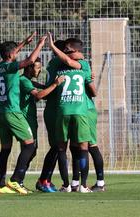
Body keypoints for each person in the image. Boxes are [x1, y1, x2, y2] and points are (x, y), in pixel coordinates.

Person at [0, 32, 46, 194]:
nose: (17, 55)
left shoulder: (0, 66)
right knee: (30, 145)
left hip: (1, 112)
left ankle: (1, 184)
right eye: (15, 53)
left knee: (5, 149)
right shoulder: (11, 67)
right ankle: (16, 180)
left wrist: (24, 42)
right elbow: (30, 61)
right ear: (11, 55)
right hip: (13, 112)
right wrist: (39, 45)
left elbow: (12, 52)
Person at [47, 33, 96, 193]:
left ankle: (67, 185)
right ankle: (82, 185)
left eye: (68, 50)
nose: (66, 53)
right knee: (83, 148)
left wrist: (52, 46)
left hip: (63, 111)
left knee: (62, 148)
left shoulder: (59, 70)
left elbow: (66, 61)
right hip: (80, 112)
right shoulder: (84, 66)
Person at [35, 40, 84, 193]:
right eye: (67, 50)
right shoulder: (58, 63)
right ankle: (45, 179)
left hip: (64, 110)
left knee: (69, 147)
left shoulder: (57, 63)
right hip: (55, 111)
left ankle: (73, 182)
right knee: (58, 147)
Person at [18, 58, 65, 192]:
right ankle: (17, 180)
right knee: (29, 149)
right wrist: (55, 84)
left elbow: (41, 90)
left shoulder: (28, 81)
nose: (40, 70)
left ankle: (19, 180)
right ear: (29, 68)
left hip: (31, 120)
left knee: (32, 151)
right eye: (37, 67)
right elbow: (39, 96)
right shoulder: (23, 81)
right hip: (25, 120)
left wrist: (49, 88)